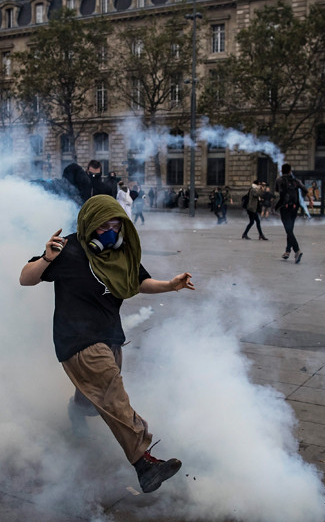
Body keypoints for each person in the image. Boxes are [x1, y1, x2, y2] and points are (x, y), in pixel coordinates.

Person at [19, 195, 195, 493]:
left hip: (110, 336)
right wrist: (47, 258)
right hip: (76, 339)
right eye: (103, 227)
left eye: (116, 225)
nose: (110, 233)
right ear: (89, 224)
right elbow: (26, 278)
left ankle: (77, 410)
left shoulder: (120, 252)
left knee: (95, 396)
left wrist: (169, 285)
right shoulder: (67, 249)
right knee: (113, 395)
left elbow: (138, 282)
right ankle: (144, 464)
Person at [274, 164, 313, 262]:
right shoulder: (296, 181)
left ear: (281, 171)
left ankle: (297, 250)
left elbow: (277, 191)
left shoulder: (279, 180)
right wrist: (310, 201)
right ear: (290, 171)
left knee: (288, 230)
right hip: (294, 208)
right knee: (290, 229)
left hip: (285, 207)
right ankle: (287, 251)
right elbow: (305, 190)